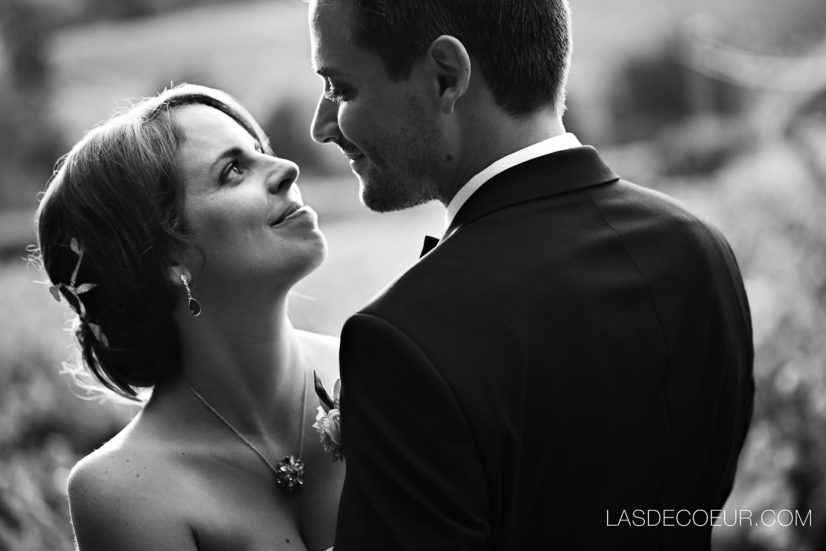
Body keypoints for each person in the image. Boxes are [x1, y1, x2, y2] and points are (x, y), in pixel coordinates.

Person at [308, 0, 754, 549]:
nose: (321, 126)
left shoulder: (402, 340)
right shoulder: (702, 249)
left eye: (340, 87)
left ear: (446, 77)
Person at [35, 83, 343, 550]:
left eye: (262, 151)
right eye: (234, 170)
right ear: (166, 257)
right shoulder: (124, 490)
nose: (287, 169)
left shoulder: (379, 370)